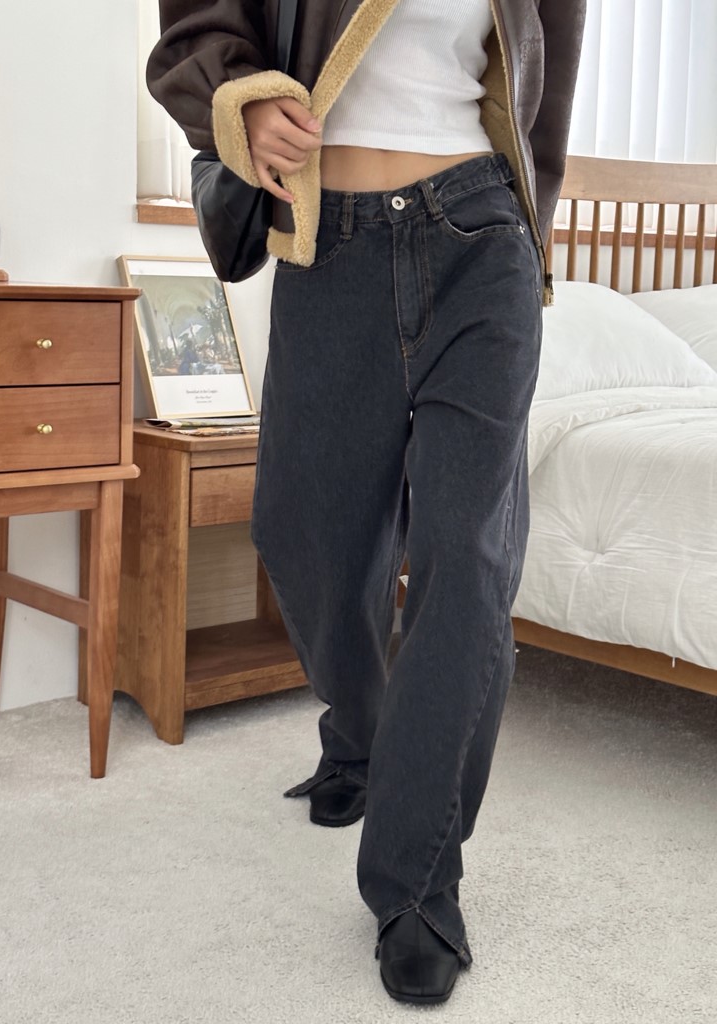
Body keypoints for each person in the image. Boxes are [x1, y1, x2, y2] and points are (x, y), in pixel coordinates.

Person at [148, 0, 586, 1005]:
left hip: (481, 232)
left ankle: (418, 884)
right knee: (301, 534)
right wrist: (241, 102)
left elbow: (548, 75)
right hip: (328, 243)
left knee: (466, 560)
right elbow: (193, 29)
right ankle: (360, 731)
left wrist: (533, 226)